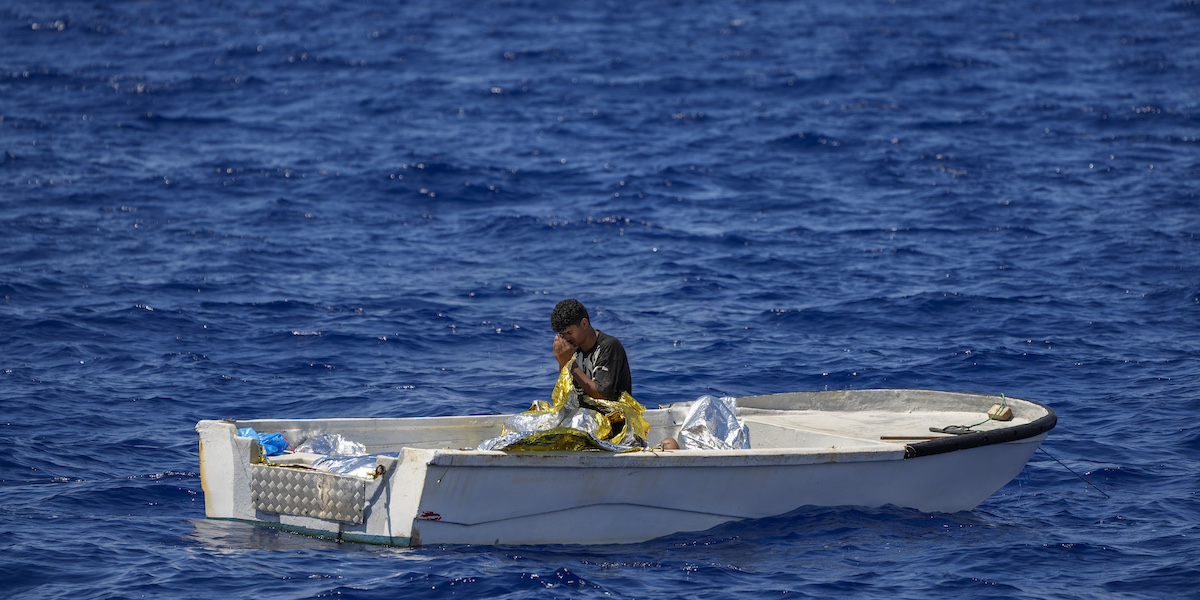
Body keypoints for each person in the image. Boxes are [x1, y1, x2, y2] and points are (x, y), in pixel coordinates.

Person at [550, 299, 632, 409]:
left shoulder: (609, 346)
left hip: (612, 418)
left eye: (569, 333)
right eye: (562, 335)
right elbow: (566, 394)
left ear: (584, 323)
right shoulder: (572, 349)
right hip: (583, 417)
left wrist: (571, 364)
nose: (567, 338)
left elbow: (602, 395)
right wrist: (562, 363)